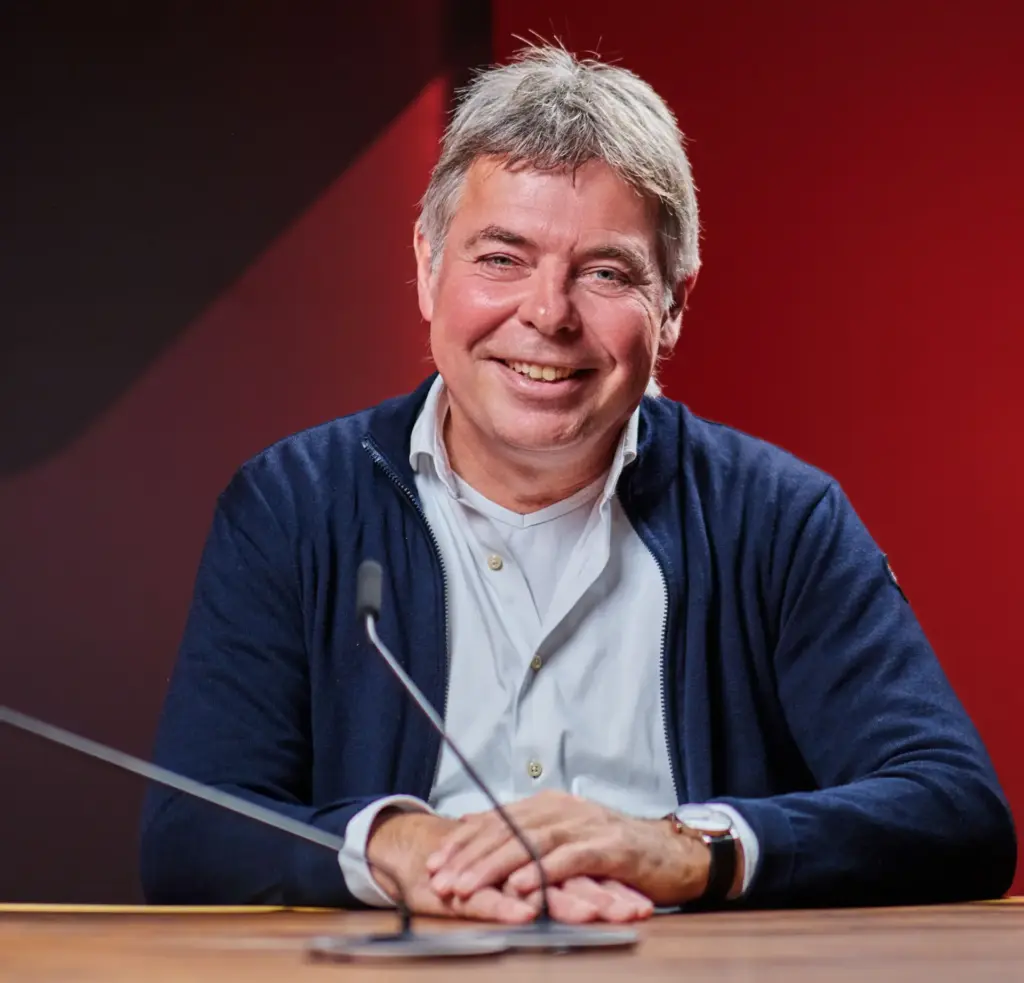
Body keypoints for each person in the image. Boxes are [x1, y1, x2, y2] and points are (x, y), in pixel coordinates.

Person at [140, 45, 1016, 922]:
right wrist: (393, 844)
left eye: (605, 272)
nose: (548, 314)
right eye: (501, 258)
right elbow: (190, 833)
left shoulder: (782, 519)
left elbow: (955, 810)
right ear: (427, 267)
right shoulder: (290, 507)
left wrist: (687, 848)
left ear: (673, 305)